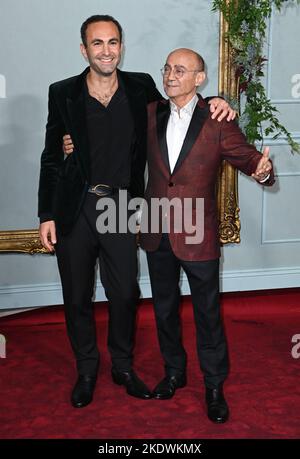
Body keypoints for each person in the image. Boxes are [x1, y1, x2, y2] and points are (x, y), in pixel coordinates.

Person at [39, 14, 235, 409]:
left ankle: (123, 366)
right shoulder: (62, 92)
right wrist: (46, 213)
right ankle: (87, 370)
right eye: (97, 43)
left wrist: (217, 101)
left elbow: (181, 106)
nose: (106, 50)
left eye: (113, 42)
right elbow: (50, 157)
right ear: (84, 49)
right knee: (76, 296)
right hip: (76, 206)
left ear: (121, 47)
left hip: (123, 205)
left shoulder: (142, 86)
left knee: (125, 293)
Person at [138, 48, 274, 424]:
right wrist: (71, 141)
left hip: (198, 234)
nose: (169, 75)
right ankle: (174, 373)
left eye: (179, 70)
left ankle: (214, 386)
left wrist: (261, 171)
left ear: (199, 78)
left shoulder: (216, 118)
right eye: (166, 67)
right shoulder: (150, 113)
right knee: (164, 310)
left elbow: (245, 156)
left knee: (207, 314)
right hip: (156, 232)